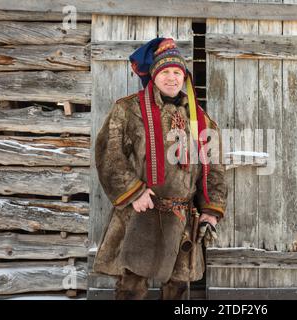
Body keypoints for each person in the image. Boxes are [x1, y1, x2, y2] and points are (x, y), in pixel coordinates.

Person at [93, 38, 227, 300]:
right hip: (141, 209)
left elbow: (214, 169)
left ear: (185, 77)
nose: (171, 78)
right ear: (154, 76)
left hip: (182, 216)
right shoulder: (129, 110)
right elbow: (109, 154)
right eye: (165, 72)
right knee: (132, 285)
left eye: (177, 72)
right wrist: (133, 193)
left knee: (177, 288)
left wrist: (211, 209)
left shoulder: (200, 120)